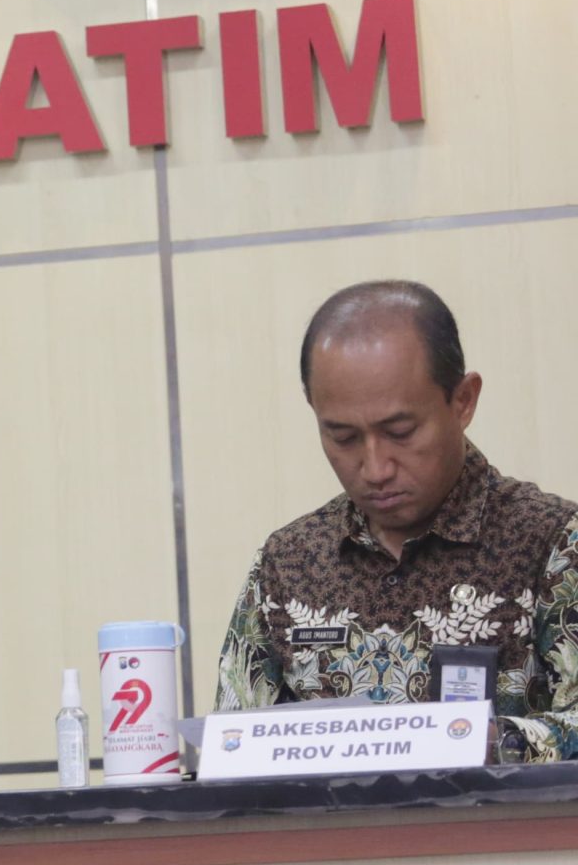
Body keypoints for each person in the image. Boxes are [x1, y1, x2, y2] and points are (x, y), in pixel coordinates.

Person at [214, 280, 578, 759]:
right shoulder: (288, 562)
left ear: (463, 400)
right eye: (343, 437)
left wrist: (477, 742)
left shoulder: (554, 544)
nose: (375, 468)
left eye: (400, 432)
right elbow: (233, 749)